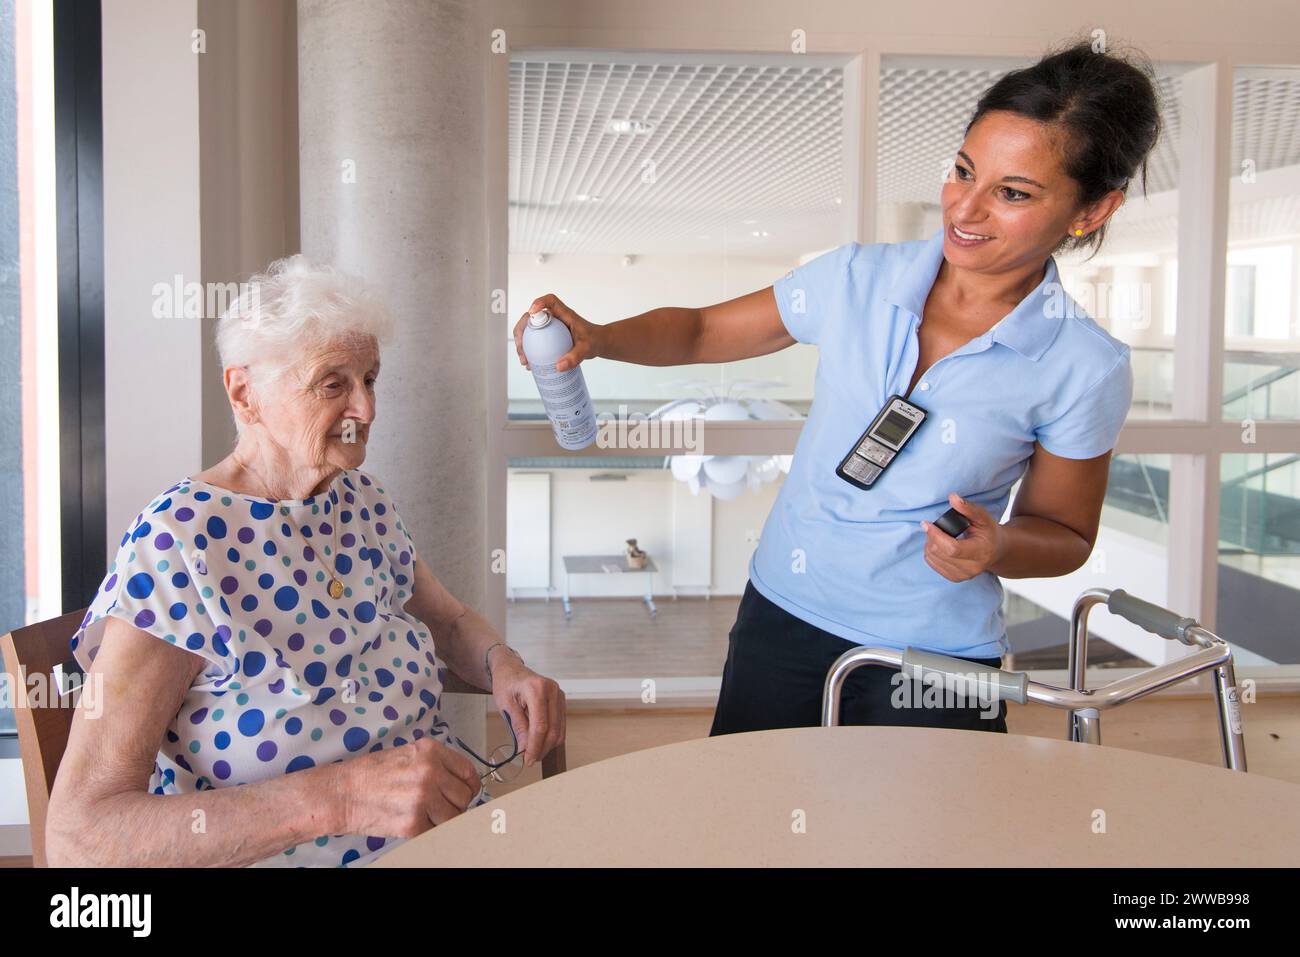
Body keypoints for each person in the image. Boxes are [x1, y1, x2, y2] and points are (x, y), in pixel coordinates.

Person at [513, 40, 1158, 736]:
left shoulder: (1084, 364)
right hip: (783, 614)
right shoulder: (858, 277)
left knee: (915, 843)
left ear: (1091, 211)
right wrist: (600, 336)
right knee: (758, 825)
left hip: (933, 652)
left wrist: (996, 546)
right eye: (963, 171)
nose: (964, 211)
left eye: (1012, 193)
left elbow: (1063, 532)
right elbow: (701, 331)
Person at [47, 256, 565, 867]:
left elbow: (448, 622)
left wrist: (504, 664)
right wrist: (343, 797)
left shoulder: (362, 502)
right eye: (332, 384)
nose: (366, 410)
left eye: (370, 379)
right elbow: (81, 839)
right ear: (245, 392)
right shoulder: (181, 545)